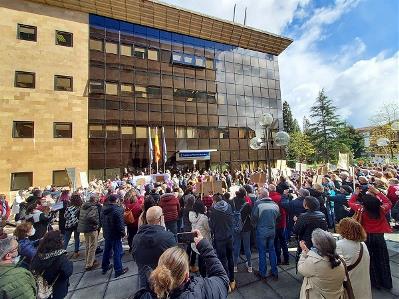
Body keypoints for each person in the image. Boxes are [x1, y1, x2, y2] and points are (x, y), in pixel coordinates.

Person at [133, 230, 229, 299]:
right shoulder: (203, 290)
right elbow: (222, 279)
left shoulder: (145, 295)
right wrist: (204, 246)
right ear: (186, 275)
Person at [348, 185, 393, 289]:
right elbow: (389, 202)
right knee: (383, 259)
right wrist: (377, 192)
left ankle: (375, 282)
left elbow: (350, 203)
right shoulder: (381, 209)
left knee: (370, 260)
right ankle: (386, 282)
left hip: (366, 237)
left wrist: (355, 194)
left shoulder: (361, 209)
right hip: (379, 237)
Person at [132, 206, 177, 288]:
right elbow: (175, 258)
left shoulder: (136, 238)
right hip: (163, 281)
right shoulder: (168, 237)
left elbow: (135, 257)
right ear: (160, 218)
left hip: (144, 280)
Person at [298, 229, 346, 299]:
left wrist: (303, 252)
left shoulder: (314, 263)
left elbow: (300, 268)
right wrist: (307, 251)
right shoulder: (340, 260)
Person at [30, 231, 73, 299]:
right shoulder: (60, 256)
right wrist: (70, 264)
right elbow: (67, 272)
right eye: (62, 240)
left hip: (41, 289)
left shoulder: (38, 254)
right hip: (57, 289)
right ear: (58, 242)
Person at [336, 217, 371, 298]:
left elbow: (336, 266)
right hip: (363, 281)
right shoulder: (362, 244)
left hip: (350, 282)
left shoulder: (339, 245)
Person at [251, 188, 280, 281]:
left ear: (261, 195)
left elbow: (253, 218)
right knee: (272, 250)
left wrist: (255, 227)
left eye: (259, 193)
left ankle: (262, 273)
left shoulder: (258, 204)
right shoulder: (275, 205)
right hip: (272, 230)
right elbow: (278, 219)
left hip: (261, 231)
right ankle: (275, 272)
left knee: (262, 251)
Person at [209, 193, 236, 291]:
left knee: (223, 260)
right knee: (230, 258)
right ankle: (232, 279)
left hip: (220, 238)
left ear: (215, 201)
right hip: (229, 236)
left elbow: (212, 226)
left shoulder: (213, 210)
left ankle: (226, 283)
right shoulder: (228, 206)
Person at [293, 196, 328, 265]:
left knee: (306, 262)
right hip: (319, 241)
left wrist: (296, 222)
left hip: (306, 243)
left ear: (306, 205)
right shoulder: (322, 215)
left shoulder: (303, 216)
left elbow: (296, 230)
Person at [101, 194, 129, 278]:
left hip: (107, 233)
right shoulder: (118, 209)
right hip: (115, 234)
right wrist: (123, 234)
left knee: (107, 250)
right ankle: (118, 270)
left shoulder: (103, 208)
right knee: (117, 251)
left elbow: (101, 220)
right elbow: (120, 224)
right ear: (116, 200)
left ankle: (105, 266)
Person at [231, 187, 253, 273]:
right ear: (244, 195)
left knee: (236, 246)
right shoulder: (247, 204)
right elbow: (251, 217)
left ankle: (235, 266)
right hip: (246, 228)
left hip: (235, 227)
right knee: (247, 247)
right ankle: (250, 266)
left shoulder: (231, 202)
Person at [77, 194, 100, 271]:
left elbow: (78, 215)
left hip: (84, 228)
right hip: (91, 228)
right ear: (95, 200)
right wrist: (96, 223)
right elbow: (90, 217)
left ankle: (88, 261)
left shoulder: (83, 206)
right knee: (93, 246)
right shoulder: (93, 207)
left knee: (87, 245)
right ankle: (89, 264)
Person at [189, 200, 211, 277]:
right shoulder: (203, 218)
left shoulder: (191, 215)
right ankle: (203, 275)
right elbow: (208, 229)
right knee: (202, 258)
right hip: (202, 239)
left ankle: (201, 274)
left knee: (197, 253)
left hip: (194, 238)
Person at [63, 193, 82, 258]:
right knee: (77, 238)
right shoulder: (80, 207)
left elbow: (65, 216)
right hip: (77, 224)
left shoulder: (69, 208)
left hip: (69, 224)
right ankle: (76, 252)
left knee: (66, 238)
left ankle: (63, 251)